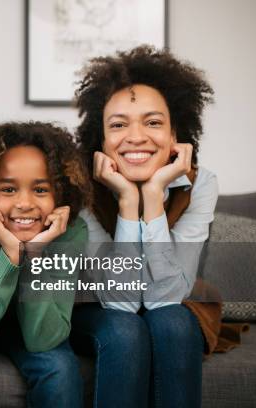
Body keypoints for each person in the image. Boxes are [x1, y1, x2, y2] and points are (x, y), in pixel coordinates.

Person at [71, 45, 217, 408]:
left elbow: (163, 299)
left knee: (173, 322)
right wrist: (126, 201)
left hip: (171, 298)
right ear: (100, 141)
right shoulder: (79, 187)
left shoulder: (201, 184)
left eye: (153, 122)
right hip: (95, 305)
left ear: (174, 136)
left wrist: (151, 196)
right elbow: (120, 303)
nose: (136, 137)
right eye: (118, 125)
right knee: (124, 330)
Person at [0, 122, 92, 407]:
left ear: (59, 194)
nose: (24, 203)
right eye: (9, 189)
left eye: (40, 190)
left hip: (32, 326)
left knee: (61, 370)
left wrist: (34, 254)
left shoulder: (70, 231)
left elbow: (43, 339)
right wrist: (10, 258)